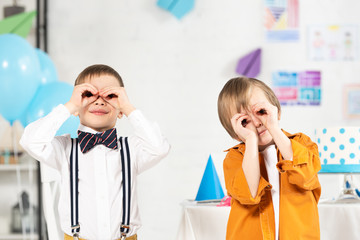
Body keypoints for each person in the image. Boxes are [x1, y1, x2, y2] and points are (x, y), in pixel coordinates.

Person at [20, 64, 170, 240]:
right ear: (77, 108)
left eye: (110, 96)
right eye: (88, 95)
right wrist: (70, 106)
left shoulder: (132, 149)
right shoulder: (64, 148)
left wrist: (128, 107)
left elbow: (160, 147)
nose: (99, 101)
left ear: (120, 111)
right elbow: (30, 141)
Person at [217, 77, 321, 240]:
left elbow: (306, 176)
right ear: (234, 132)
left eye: (261, 112)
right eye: (245, 121)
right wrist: (251, 139)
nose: (257, 123)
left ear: (276, 112)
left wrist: (273, 127)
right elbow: (250, 193)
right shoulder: (235, 158)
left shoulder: (301, 143)